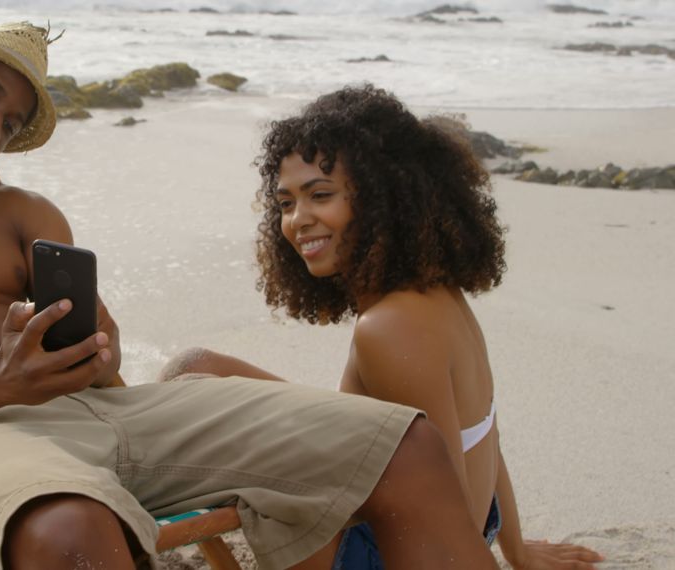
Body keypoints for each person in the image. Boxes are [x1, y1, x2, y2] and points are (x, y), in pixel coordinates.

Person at [0, 24, 500, 570]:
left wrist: (94, 350)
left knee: (400, 441)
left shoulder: (21, 213)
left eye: (12, 120)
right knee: (69, 530)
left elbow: (103, 370)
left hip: (104, 416)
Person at [162, 85, 604, 569]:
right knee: (195, 369)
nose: (297, 221)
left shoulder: (389, 329)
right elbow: (483, 428)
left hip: (388, 552)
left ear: (381, 198)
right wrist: (518, 549)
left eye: (321, 195)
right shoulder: (435, 290)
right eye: (286, 203)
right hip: (467, 519)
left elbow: (441, 517)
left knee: (208, 434)